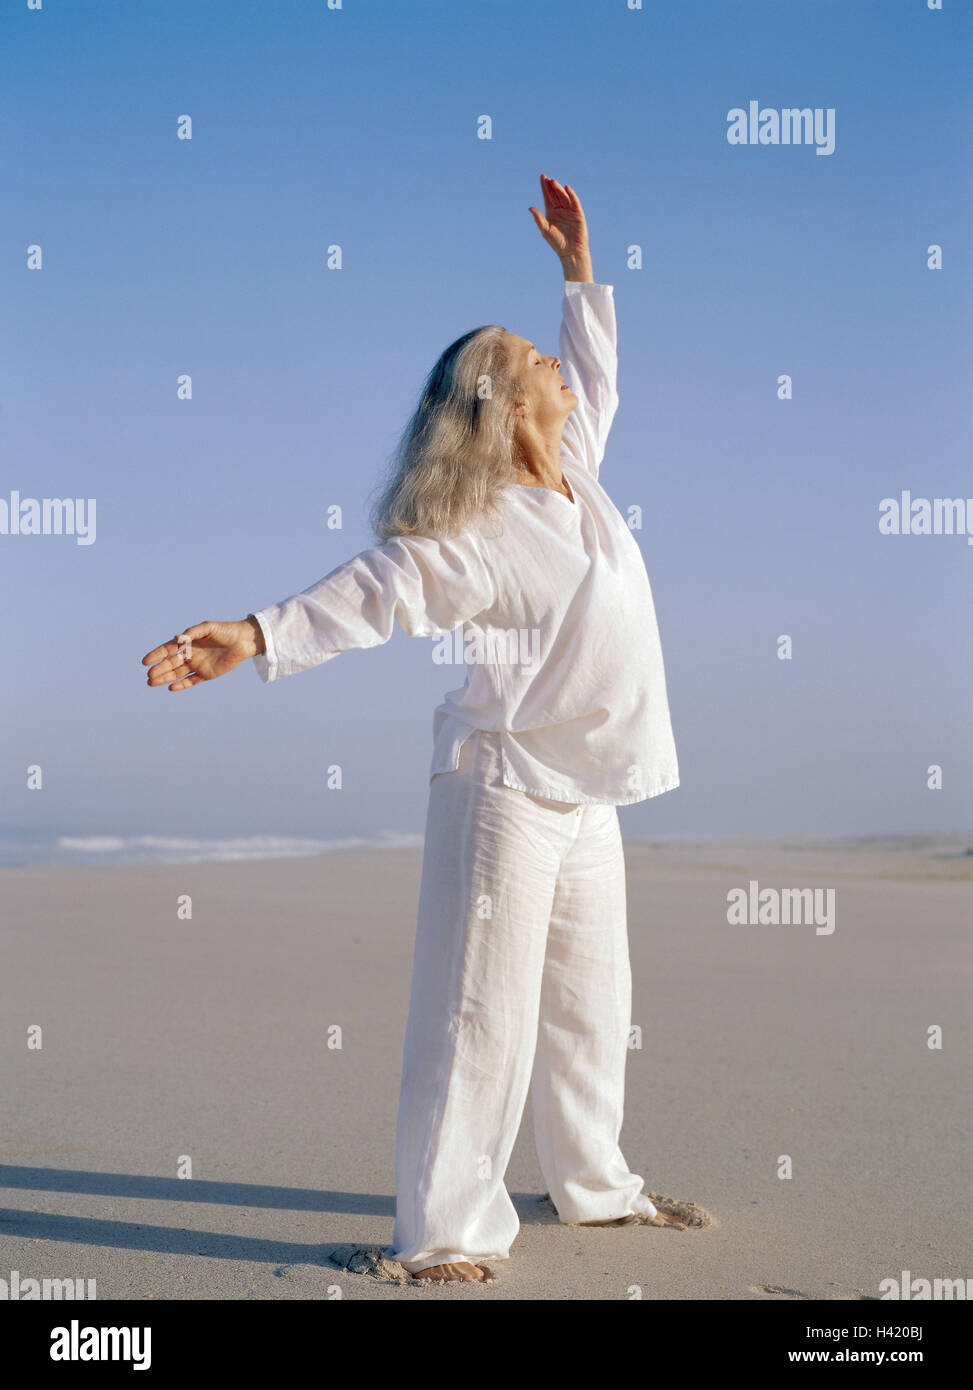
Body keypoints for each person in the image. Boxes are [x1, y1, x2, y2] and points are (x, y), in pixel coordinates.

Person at [142, 175, 685, 1284]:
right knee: (476, 1016)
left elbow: (598, 376)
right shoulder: (473, 531)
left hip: (585, 787)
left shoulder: (576, 473)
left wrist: (579, 272)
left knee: (594, 1004)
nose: (554, 368)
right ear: (497, 400)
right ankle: (444, 1231)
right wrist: (253, 632)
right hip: (502, 788)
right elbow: (373, 591)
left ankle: (593, 1187)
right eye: (533, 357)